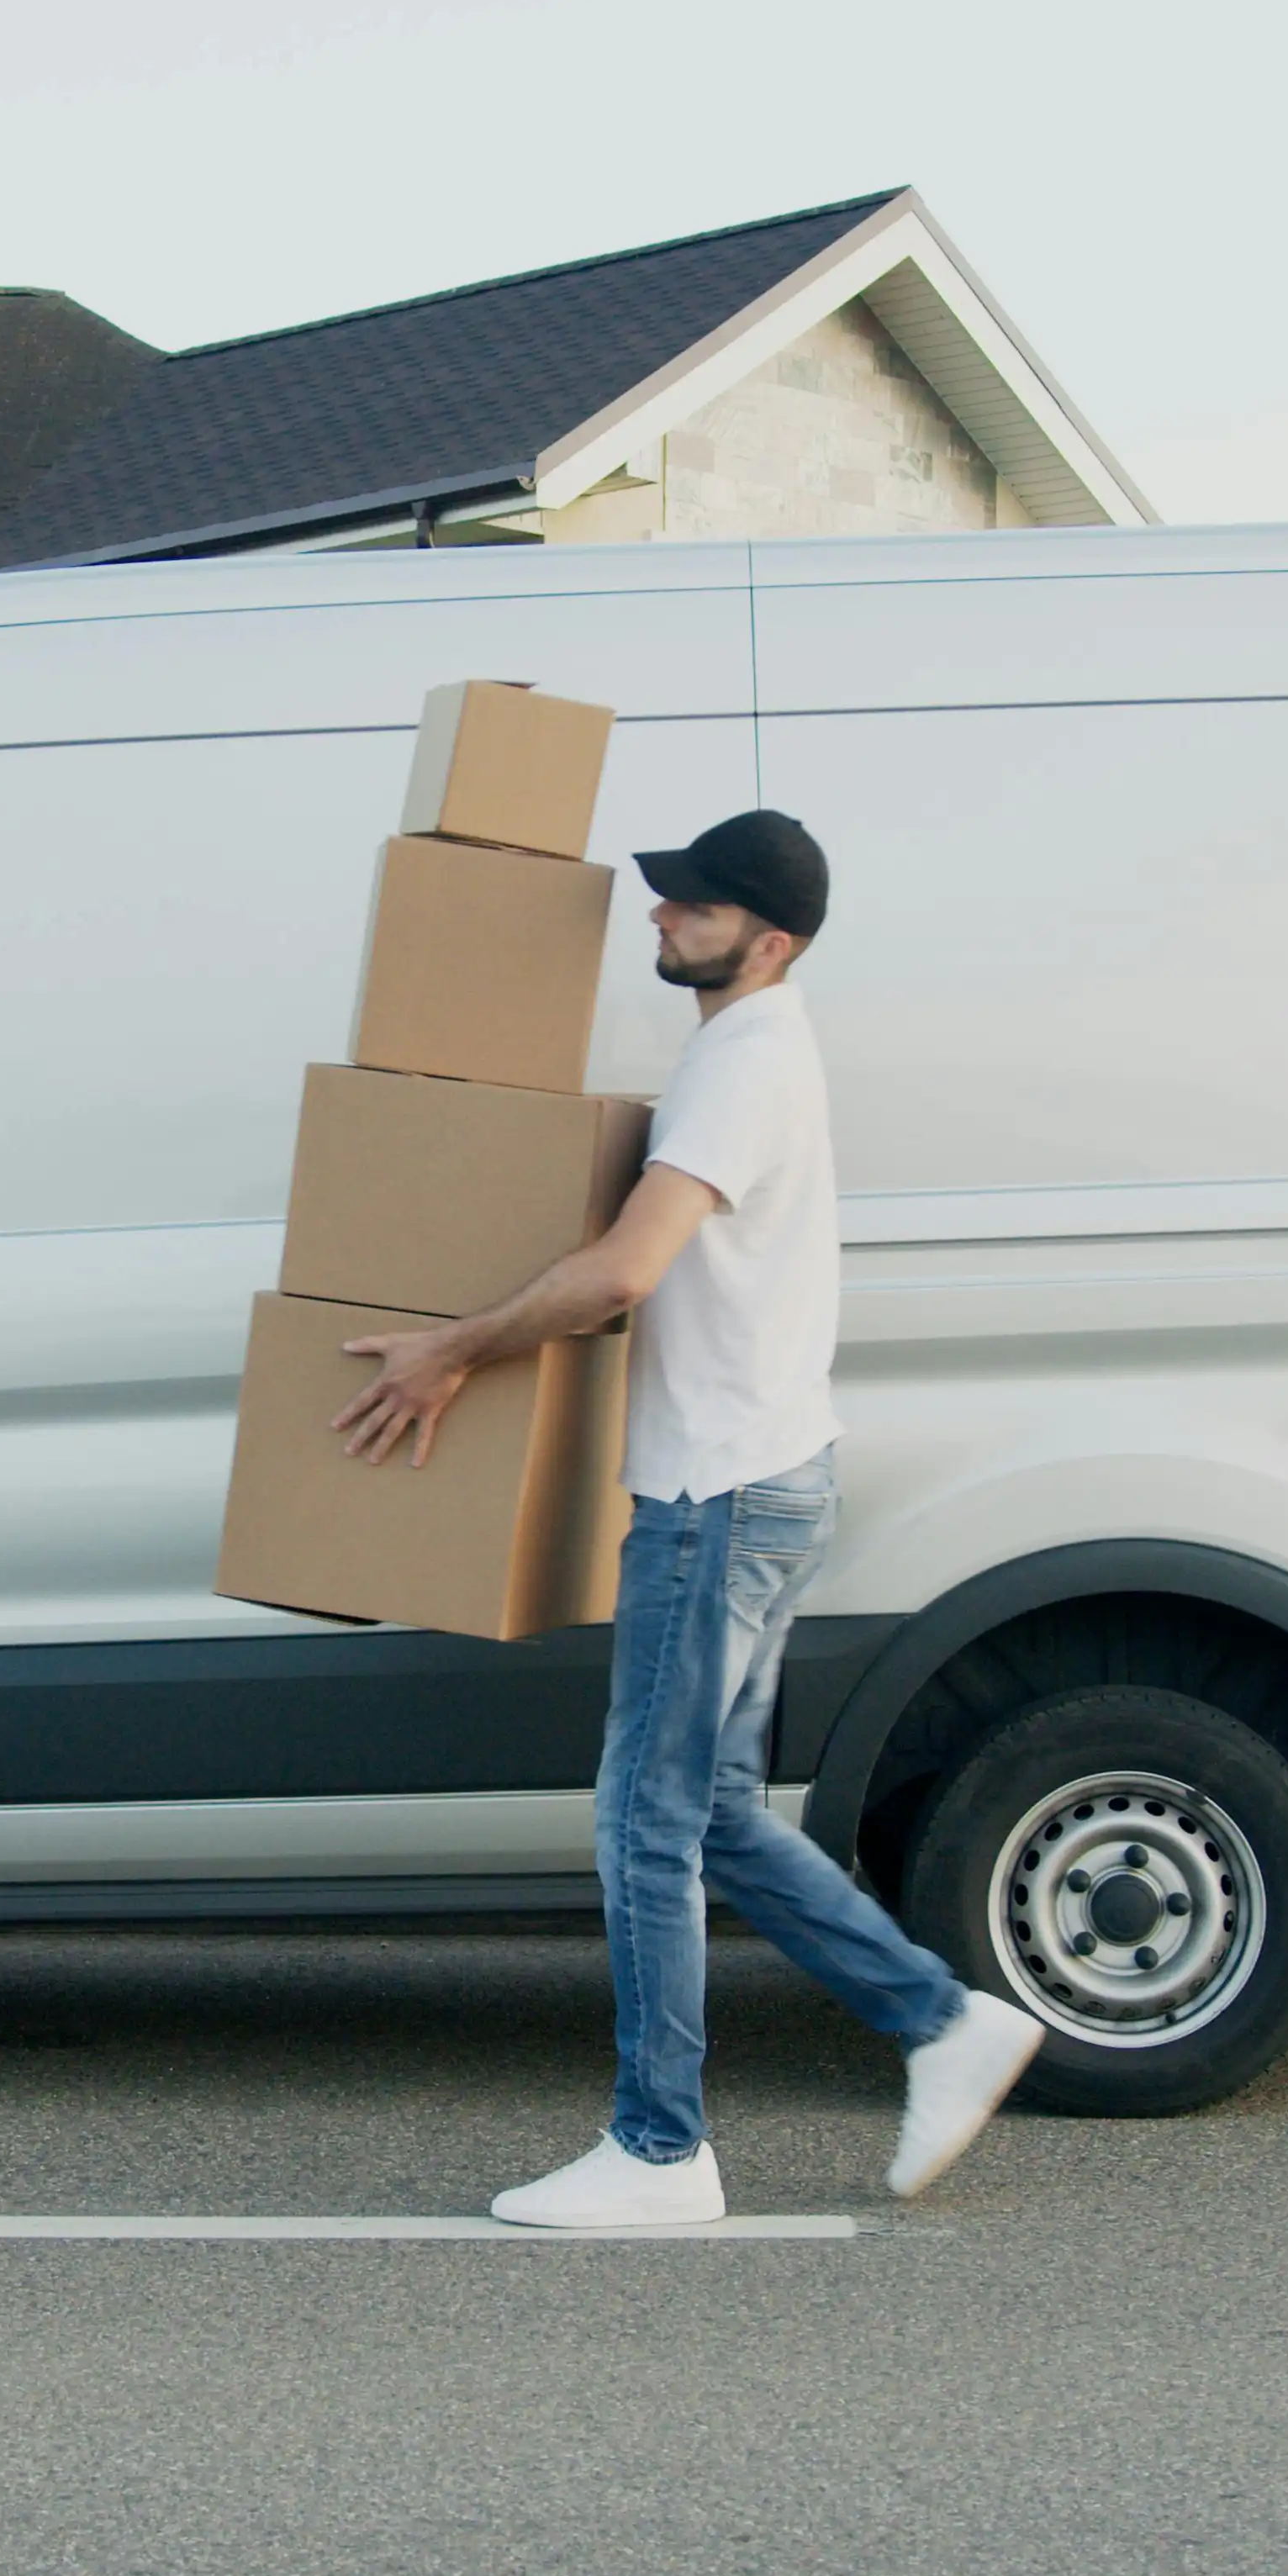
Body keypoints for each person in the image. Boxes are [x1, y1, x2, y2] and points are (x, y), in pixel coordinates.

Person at [330, 808, 1045, 2228]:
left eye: (693, 906)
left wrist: (450, 1348)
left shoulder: (746, 1059)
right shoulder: (751, 1051)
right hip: (767, 1474)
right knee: (707, 1807)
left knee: (643, 1820)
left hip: (718, 1496)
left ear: (767, 940)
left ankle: (661, 2150)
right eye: (668, 899)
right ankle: (944, 2020)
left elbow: (622, 1273)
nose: (660, 919)